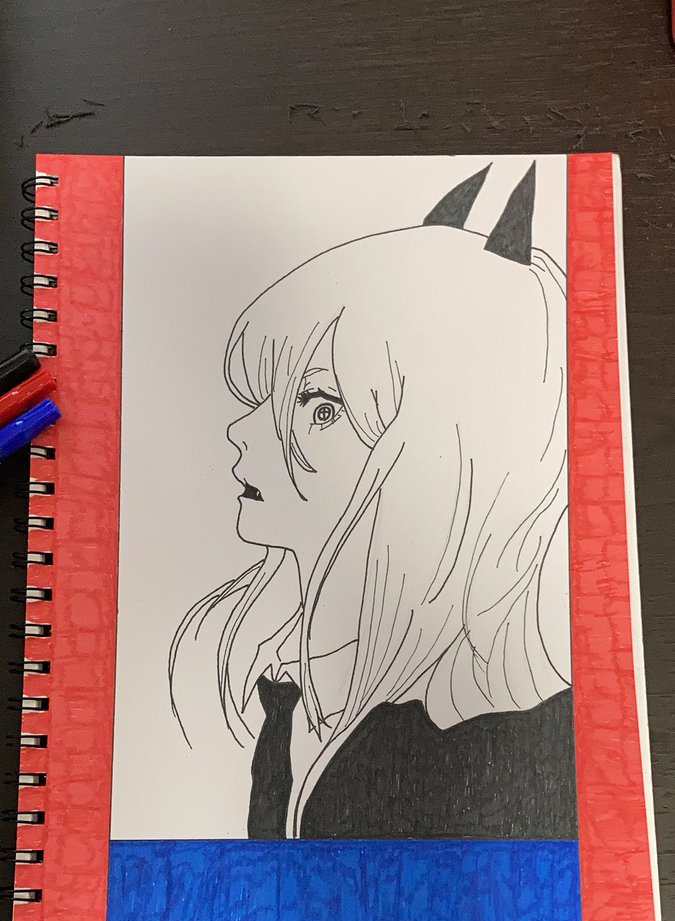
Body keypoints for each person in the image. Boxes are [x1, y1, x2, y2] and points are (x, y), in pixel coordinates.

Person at [170, 162, 576, 841]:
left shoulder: (473, 743)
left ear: (444, 460)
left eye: (319, 407)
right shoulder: (289, 691)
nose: (243, 432)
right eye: (267, 397)